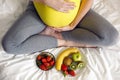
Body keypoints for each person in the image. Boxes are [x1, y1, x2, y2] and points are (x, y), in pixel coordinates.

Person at [1, 0, 119, 54]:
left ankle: (63, 38)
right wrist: (49, 2)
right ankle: (62, 42)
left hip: (76, 11)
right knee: (10, 45)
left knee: (111, 37)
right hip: (40, 12)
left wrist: (73, 24)